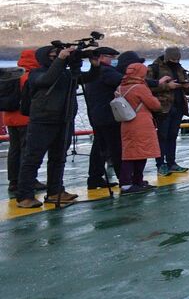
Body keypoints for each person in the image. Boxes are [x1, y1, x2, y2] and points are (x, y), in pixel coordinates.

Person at [14, 43, 82, 209]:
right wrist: (60, 60)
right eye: (53, 54)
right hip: (42, 121)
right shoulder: (36, 73)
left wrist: (89, 66)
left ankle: (55, 191)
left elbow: (85, 79)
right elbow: (48, 79)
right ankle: (24, 195)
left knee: (59, 158)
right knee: (32, 159)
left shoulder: (66, 74)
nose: (55, 56)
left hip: (63, 120)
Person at [79, 46, 122, 189]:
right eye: (111, 57)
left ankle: (95, 177)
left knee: (99, 147)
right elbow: (126, 82)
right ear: (102, 57)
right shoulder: (107, 72)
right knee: (115, 147)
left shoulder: (93, 74)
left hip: (96, 114)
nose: (114, 61)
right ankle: (124, 178)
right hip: (108, 115)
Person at [115, 60, 161, 194]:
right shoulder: (140, 88)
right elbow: (155, 105)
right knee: (141, 153)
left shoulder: (120, 87)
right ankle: (133, 182)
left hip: (126, 123)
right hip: (142, 123)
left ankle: (127, 181)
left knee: (129, 152)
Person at [148, 47, 189, 175]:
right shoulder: (154, 68)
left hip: (178, 106)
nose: (175, 61)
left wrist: (187, 85)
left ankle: (172, 162)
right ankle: (160, 164)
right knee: (162, 136)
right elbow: (147, 87)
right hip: (163, 107)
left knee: (172, 136)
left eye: (177, 59)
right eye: (173, 59)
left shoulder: (180, 68)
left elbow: (187, 84)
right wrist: (167, 86)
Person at [2, 49, 40, 198]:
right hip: (25, 118)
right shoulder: (30, 77)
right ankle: (28, 180)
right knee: (27, 151)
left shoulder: (12, 75)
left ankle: (14, 181)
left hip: (9, 118)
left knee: (14, 150)